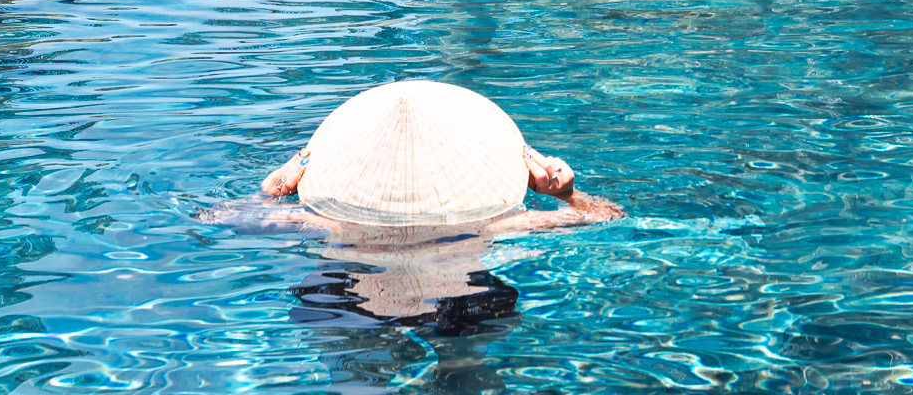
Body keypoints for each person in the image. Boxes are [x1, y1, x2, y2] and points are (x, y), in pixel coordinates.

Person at [200, 80, 622, 327]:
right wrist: (565, 195)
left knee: (347, 362)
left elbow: (215, 217)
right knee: (468, 368)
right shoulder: (500, 225)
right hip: (464, 301)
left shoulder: (323, 224)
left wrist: (272, 188)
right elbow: (607, 215)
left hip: (347, 299)